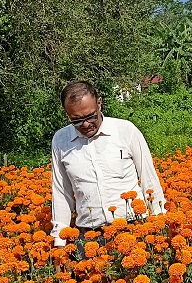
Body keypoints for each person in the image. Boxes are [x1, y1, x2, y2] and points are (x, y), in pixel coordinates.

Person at [50, 81, 167, 255]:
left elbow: (149, 179)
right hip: (90, 235)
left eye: (90, 116)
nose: (85, 124)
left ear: (99, 103)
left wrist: (159, 223)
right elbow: (61, 194)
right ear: (67, 115)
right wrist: (59, 243)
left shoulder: (126, 130)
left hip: (133, 227)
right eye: (76, 120)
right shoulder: (61, 140)